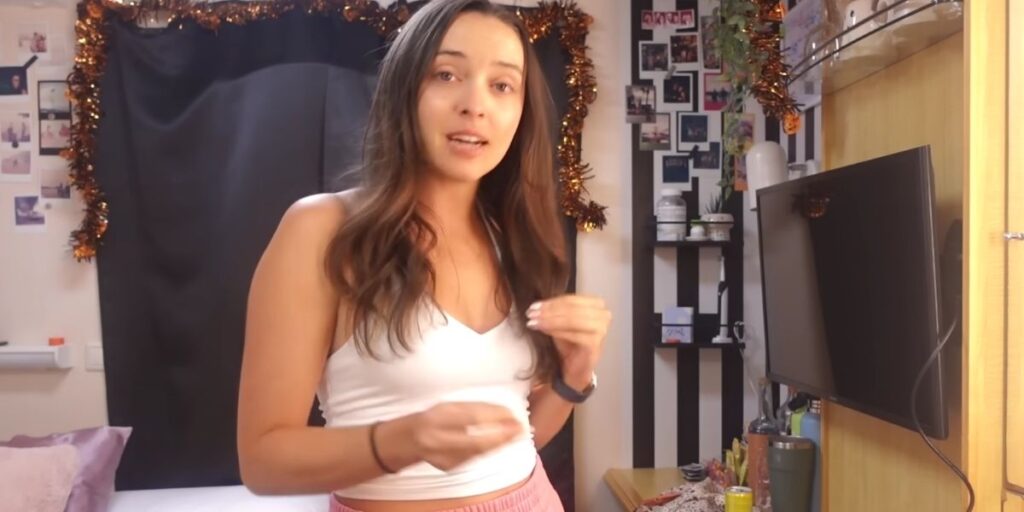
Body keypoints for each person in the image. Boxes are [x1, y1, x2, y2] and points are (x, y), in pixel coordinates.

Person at [236, 1, 611, 512]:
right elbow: (263, 460)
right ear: (404, 90)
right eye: (447, 73)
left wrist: (574, 374)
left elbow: (520, 437)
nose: (475, 104)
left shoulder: (518, 239)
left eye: (502, 85)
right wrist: (405, 440)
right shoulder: (323, 231)